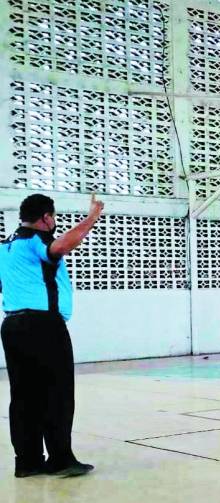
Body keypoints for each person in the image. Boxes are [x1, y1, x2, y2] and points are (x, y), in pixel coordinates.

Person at [0, 193, 103, 478]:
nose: (54, 222)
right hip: (44, 326)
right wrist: (92, 217)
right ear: (46, 217)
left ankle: (28, 461)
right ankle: (60, 459)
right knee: (57, 393)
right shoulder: (37, 240)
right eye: (54, 217)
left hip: (12, 326)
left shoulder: (4, 247)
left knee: (23, 396)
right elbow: (60, 247)